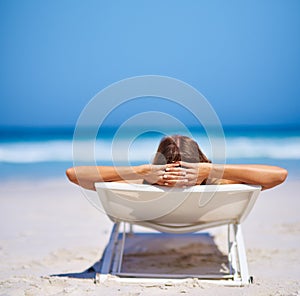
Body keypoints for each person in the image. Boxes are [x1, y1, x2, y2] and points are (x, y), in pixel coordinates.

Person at [66, 135, 288, 191]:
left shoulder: (140, 184)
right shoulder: (214, 185)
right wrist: (212, 171)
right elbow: (279, 175)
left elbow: (74, 174)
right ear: (200, 160)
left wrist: (139, 171)